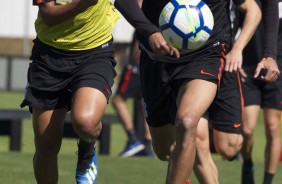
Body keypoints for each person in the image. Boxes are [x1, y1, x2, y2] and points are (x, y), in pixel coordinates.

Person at [114, 0, 260, 183]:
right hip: (156, 60)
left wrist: (238, 48)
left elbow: (254, 9)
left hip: (206, 55)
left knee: (187, 121)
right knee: (163, 149)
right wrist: (150, 32)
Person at [20, 0, 119, 183]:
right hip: (49, 57)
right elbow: (48, 15)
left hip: (95, 51)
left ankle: (87, 149)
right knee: (46, 146)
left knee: (86, 124)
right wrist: (85, 4)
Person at [239, 0, 281, 184]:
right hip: (248, 67)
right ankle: (247, 163)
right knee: (247, 130)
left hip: (277, 68)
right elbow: (231, 25)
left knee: (273, 128)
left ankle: (268, 181)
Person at [111, 32, 153, 157]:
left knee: (117, 101)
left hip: (135, 69)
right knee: (143, 103)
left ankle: (133, 140)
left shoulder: (143, 16)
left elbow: (138, 45)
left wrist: (132, 65)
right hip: (148, 68)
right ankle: (147, 145)